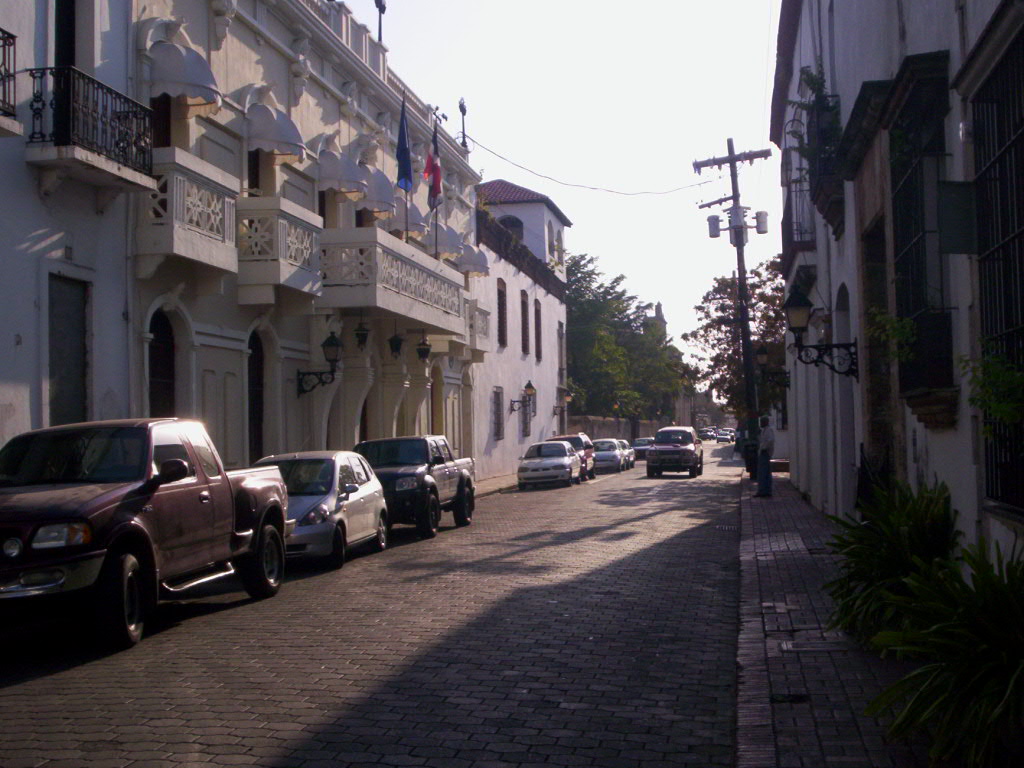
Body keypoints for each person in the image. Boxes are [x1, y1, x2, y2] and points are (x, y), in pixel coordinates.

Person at [755, 414, 775, 497]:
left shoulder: (769, 430)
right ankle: (762, 490)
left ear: (766, 422)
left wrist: (764, 448)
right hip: (762, 452)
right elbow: (762, 441)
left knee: (764, 473)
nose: (761, 423)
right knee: (762, 473)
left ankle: (765, 491)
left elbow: (770, 441)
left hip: (765, 452)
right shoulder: (763, 430)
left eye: (762, 422)